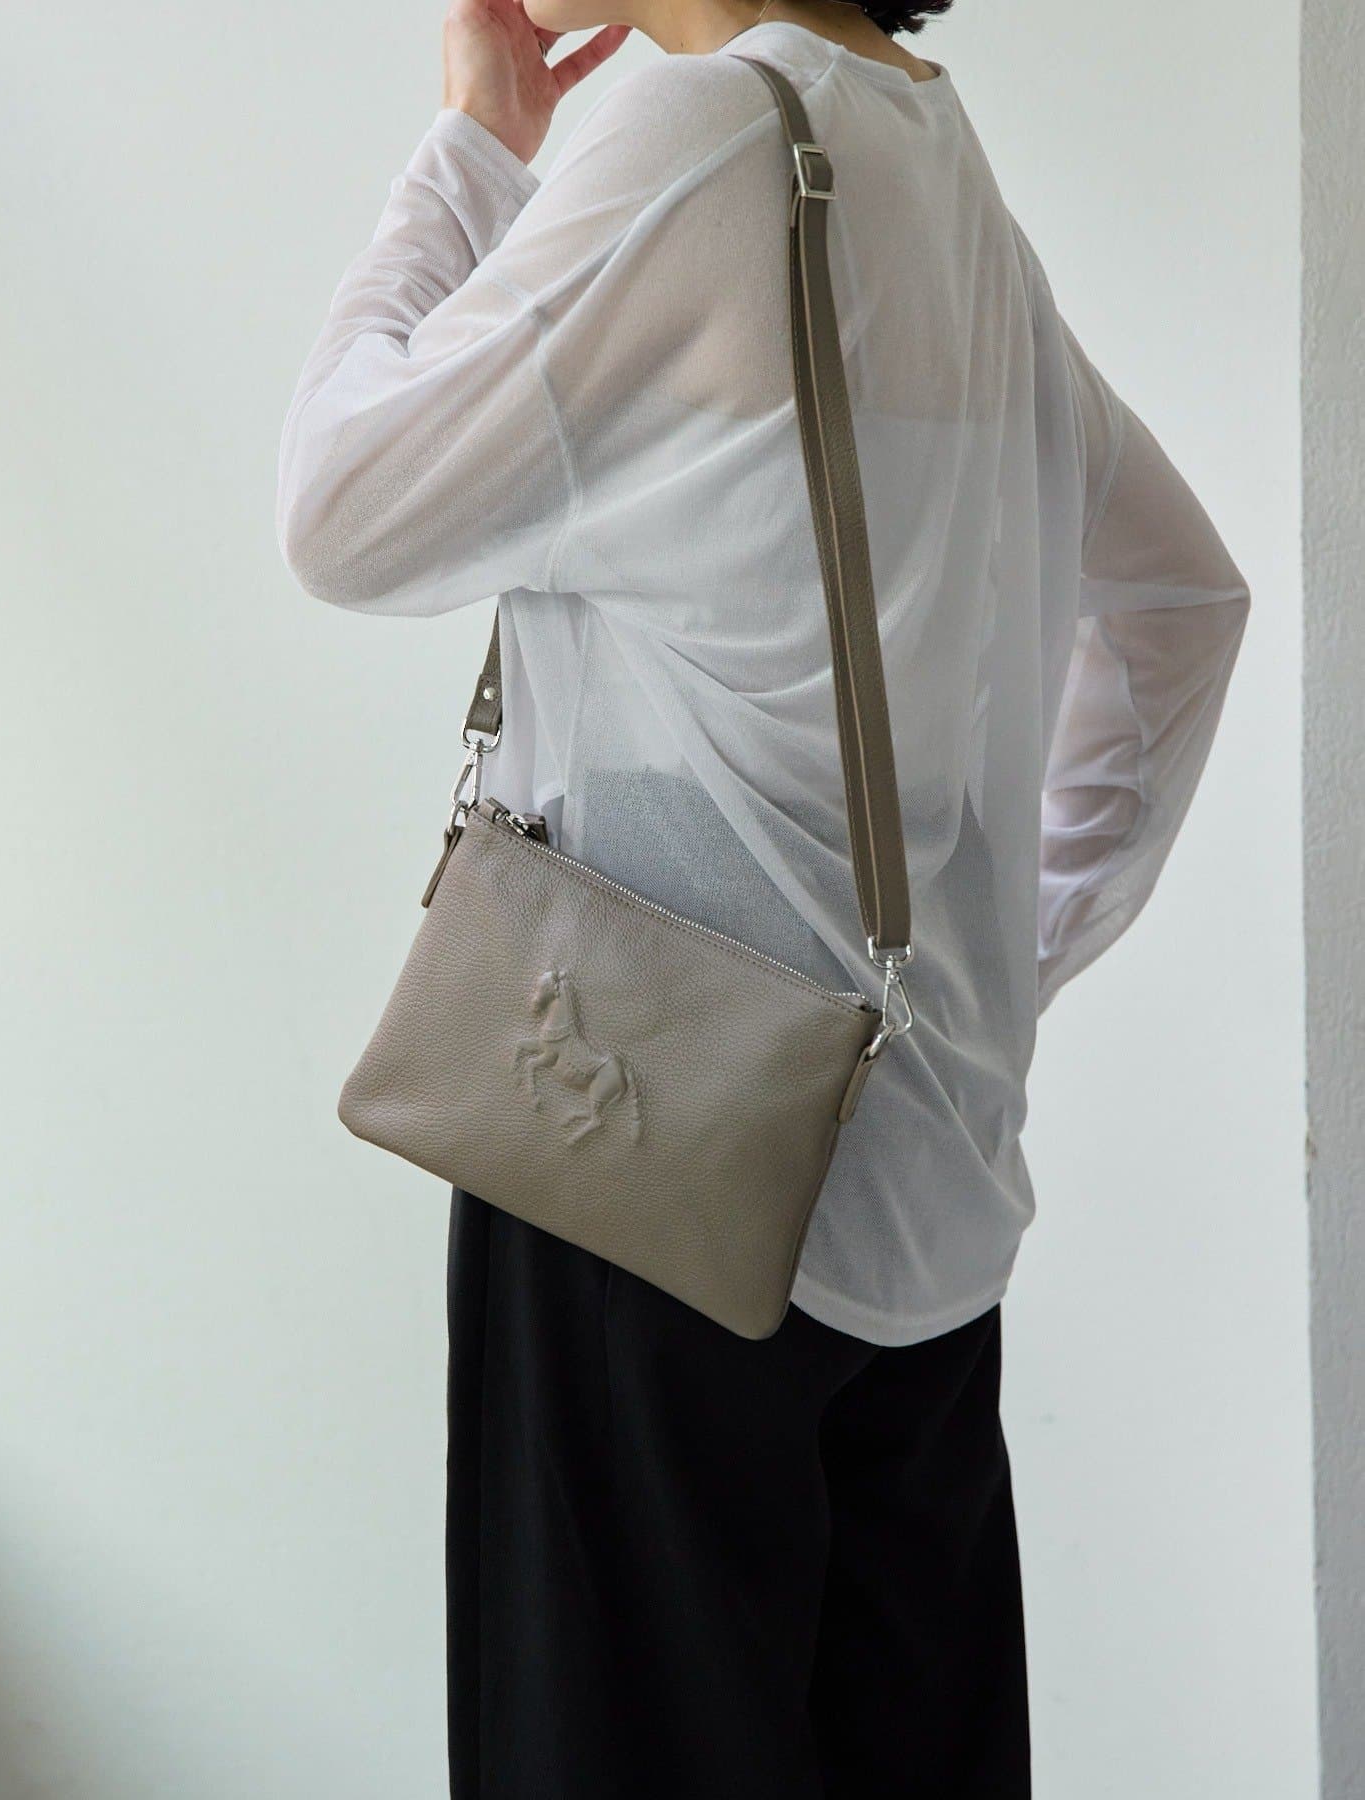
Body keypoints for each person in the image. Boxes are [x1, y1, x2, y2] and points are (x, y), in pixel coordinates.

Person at [276, 0, 1250, 1791]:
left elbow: (340, 509)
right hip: (923, 1195)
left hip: (635, 1151)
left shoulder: (706, 137)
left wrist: (475, 149)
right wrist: (996, 970)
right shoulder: (930, 159)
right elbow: (1185, 606)